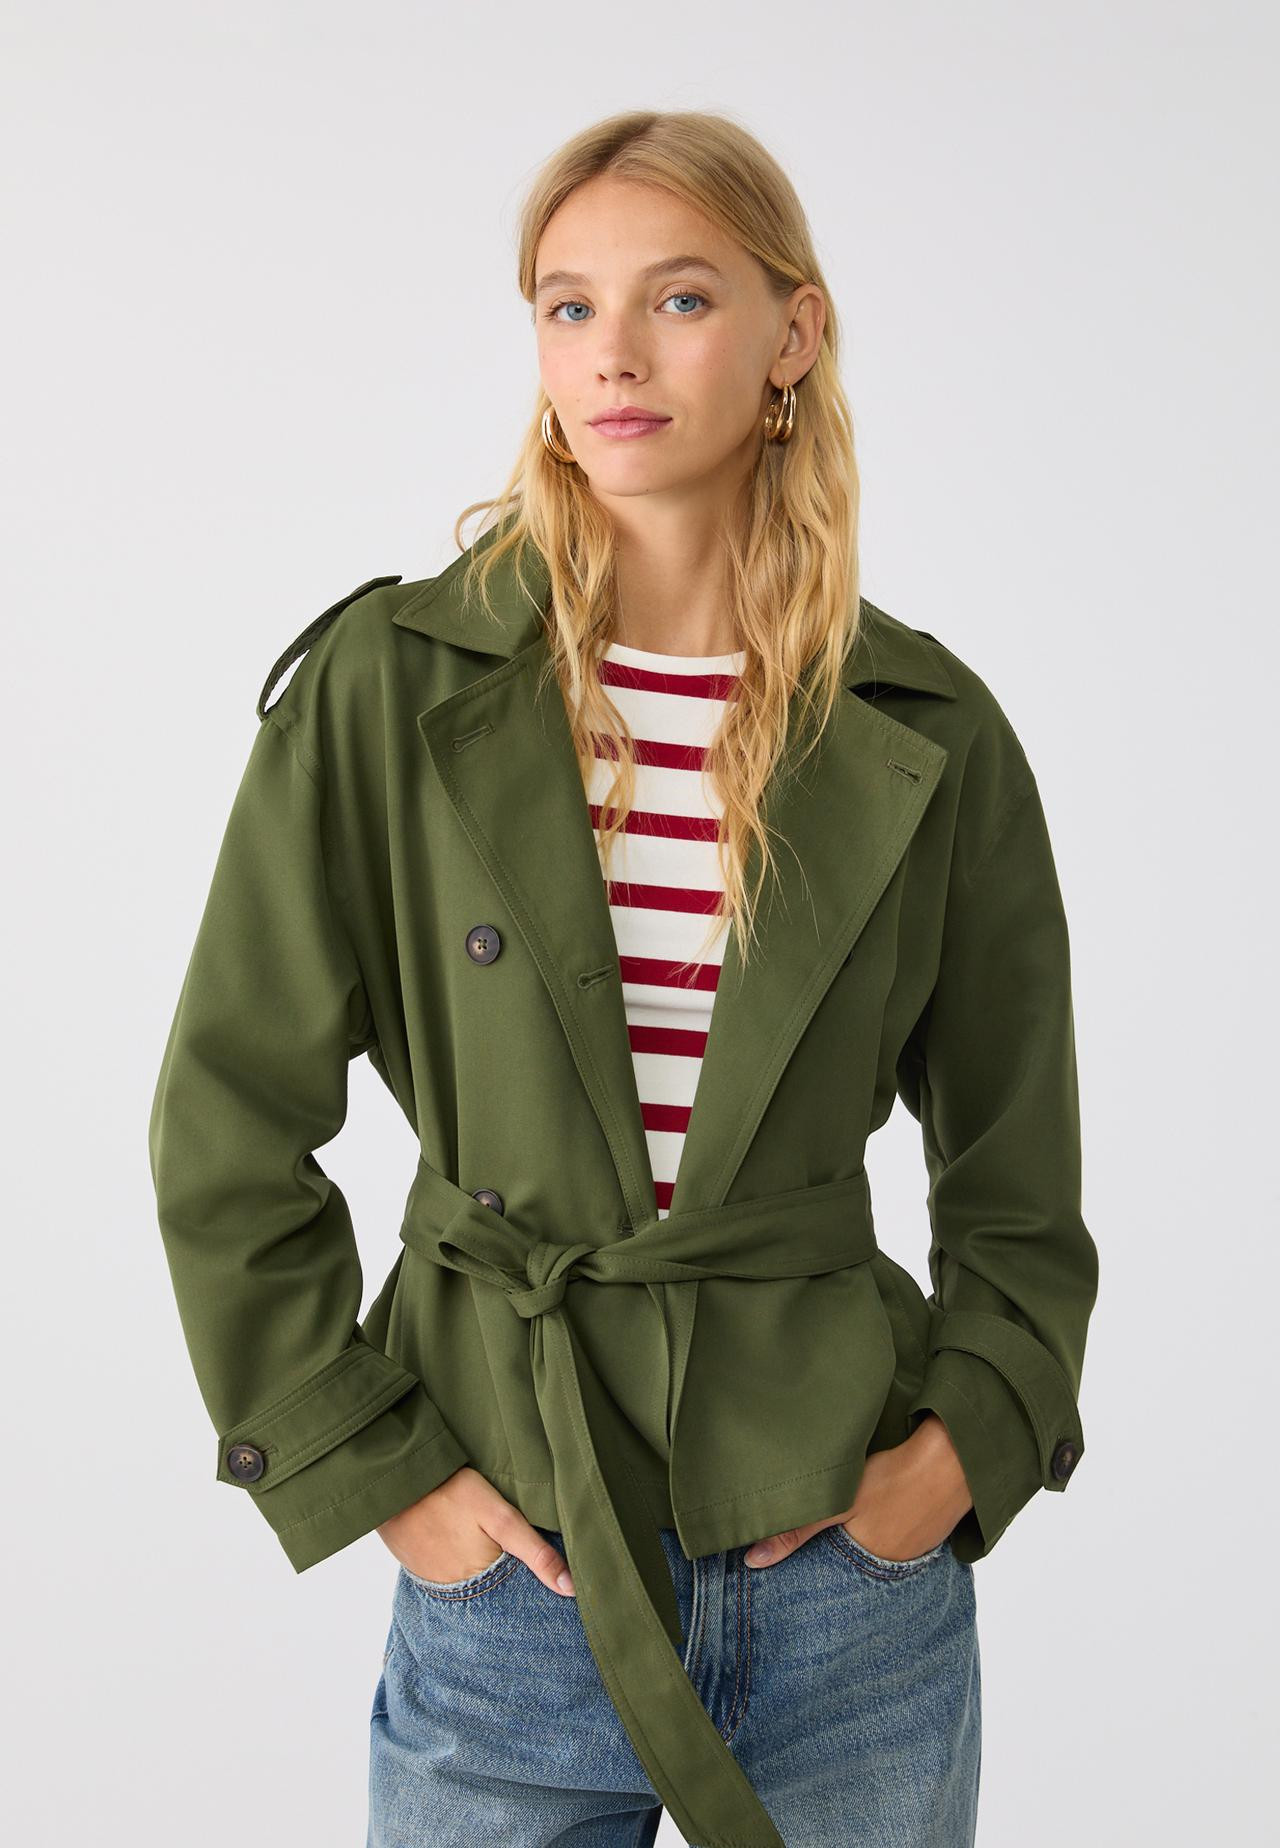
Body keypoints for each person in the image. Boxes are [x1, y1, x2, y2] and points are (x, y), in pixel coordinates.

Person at [148, 109, 1099, 1848]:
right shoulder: (389, 690)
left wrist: (957, 1453)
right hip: (511, 1566)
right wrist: (382, 1473)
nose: (614, 355)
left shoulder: (926, 732)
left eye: (679, 298)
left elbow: (1020, 1182)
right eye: (568, 306)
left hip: (847, 1585)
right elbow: (226, 1120)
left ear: (793, 334)